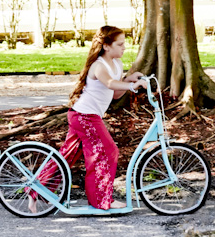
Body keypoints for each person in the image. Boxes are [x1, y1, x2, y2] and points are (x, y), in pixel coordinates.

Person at [38, 26, 148, 211]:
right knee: (107, 151)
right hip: (84, 117)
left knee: (67, 156)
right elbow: (109, 83)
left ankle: (37, 191)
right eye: (120, 44)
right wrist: (132, 84)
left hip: (83, 115)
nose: (124, 48)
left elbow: (114, 94)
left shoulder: (116, 64)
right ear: (106, 45)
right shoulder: (99, 66)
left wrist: (129, 80)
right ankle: (100, 200)